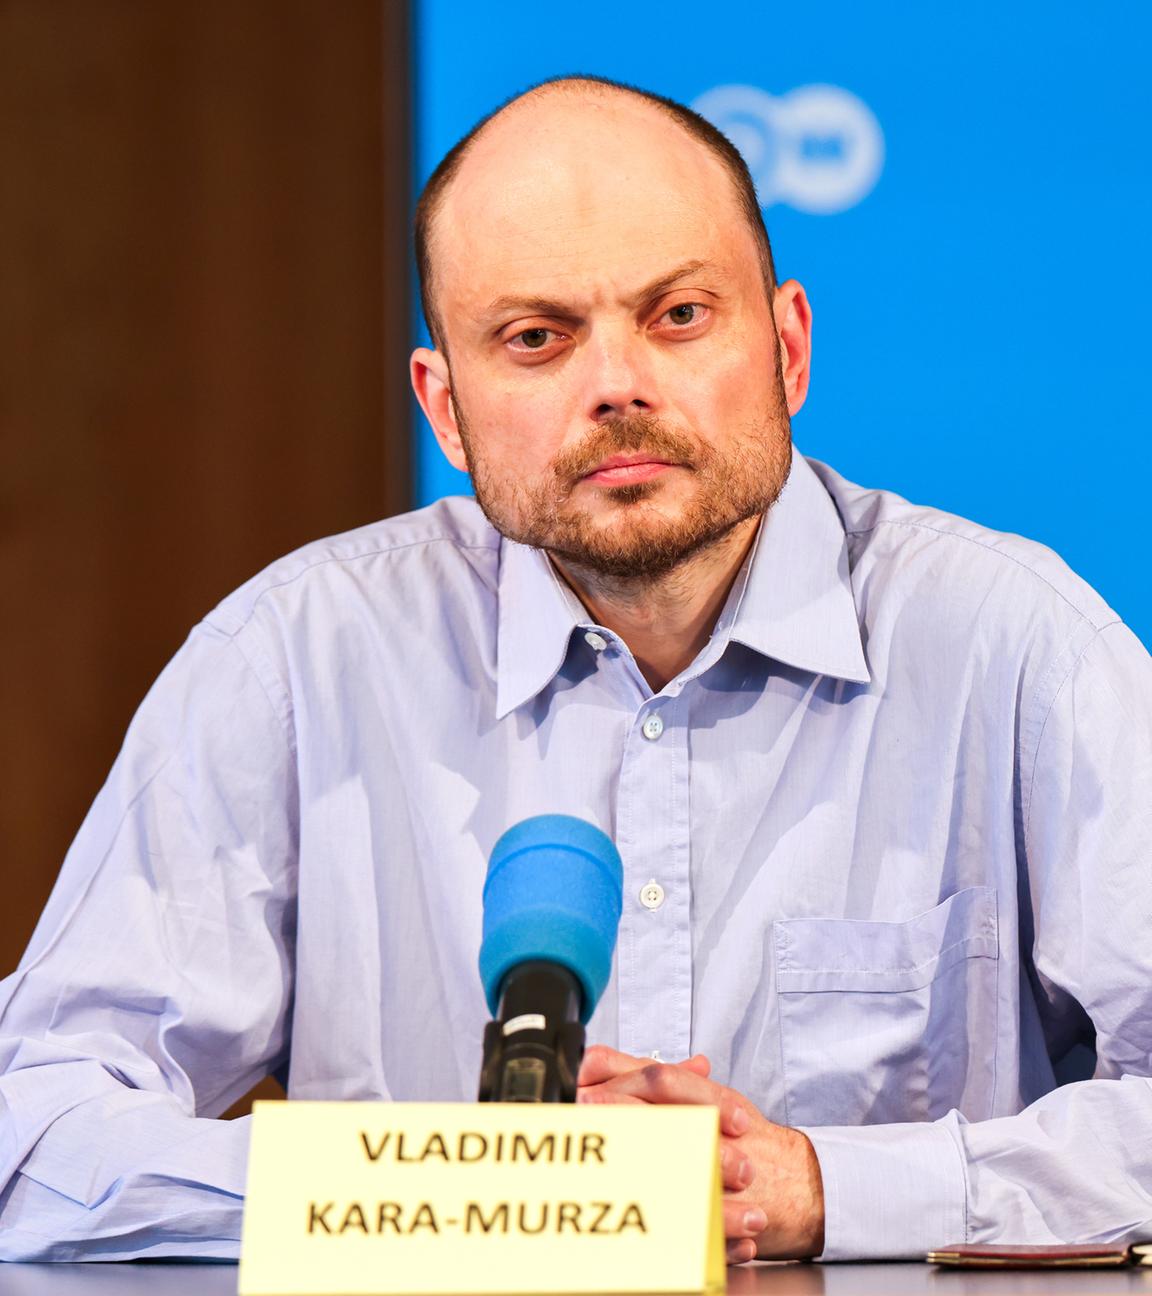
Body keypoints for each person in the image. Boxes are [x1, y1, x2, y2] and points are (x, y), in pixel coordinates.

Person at [1, 74, 1150, 1266]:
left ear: (790, 349)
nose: (616, 385)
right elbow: (32, 1132)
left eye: (679, 317)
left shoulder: (1015, 647)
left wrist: (829, 1189)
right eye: (536, 338)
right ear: (445, 412)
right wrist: (448, 1201)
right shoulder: (294, 662)